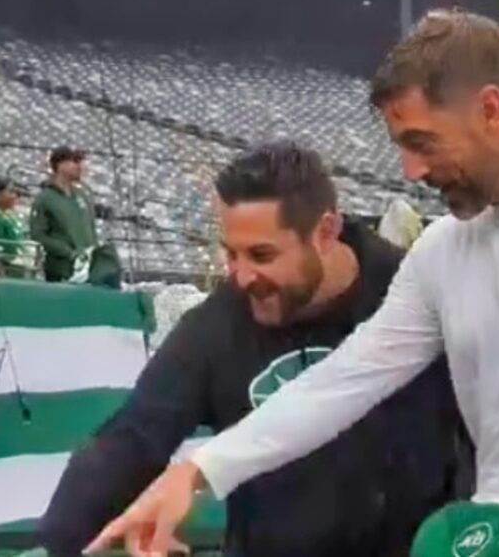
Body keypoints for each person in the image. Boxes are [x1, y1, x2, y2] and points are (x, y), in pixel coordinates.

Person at [89, 10, 499, 557]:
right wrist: (201, 469)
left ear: (491, 108)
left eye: (423, 141)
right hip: (492, 537)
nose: (409, 170)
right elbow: (347, 378)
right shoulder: (441, 249)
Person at [40, 142, 468, 557]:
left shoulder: (412, 292)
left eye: (262, 255)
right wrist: (58, 542)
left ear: (325, 231)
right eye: (231, 254)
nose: (242, 276)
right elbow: (133, 438)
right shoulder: (217, 326)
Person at [29, 146, 98, 282]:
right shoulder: (44, 198)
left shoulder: (83, 195)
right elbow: (38, 234)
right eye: (75, 162)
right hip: (61, 268)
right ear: (61, 165)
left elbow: (91, 229)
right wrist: (68, 252)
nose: (80, 167)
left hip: (87, 266)